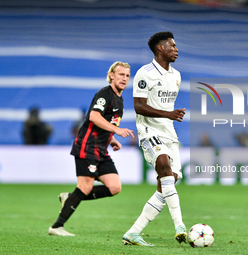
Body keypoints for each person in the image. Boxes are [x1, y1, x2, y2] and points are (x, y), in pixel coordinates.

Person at [48, 61, 134, 236]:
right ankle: (56, 227)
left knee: (114, 187)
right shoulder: (105, 94)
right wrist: (116, 130)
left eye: (127, 76)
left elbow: (106, 123)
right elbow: (94, 116)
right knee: (85, 187)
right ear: (111, 75)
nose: (124, 78)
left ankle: (70, 197)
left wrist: (111, 139)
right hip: (87, 147)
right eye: (120, 75)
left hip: (101, 150)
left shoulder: (120, 99)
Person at [122, 31, 187, 246]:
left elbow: (167, 107)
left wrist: (170, 115)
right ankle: (180, 225)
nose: (176, 49)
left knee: (167, 182)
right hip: (149, 131)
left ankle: (134, 232)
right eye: (173, 45)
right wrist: (168, 113)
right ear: (161, 48)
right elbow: (139, 106)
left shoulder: (176, 75)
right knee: (164, 166)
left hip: (169, 132)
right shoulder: (144, 73)